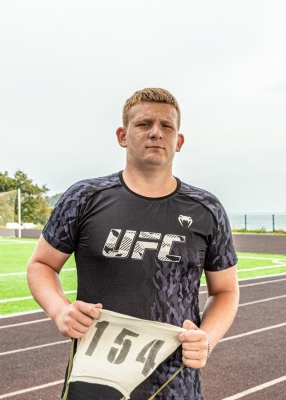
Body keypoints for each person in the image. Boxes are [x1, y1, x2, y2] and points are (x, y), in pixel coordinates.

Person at [27, 88, 239, 399]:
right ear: (122, 136)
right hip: (93, 385)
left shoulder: (207, 209)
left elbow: (226, 290)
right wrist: (60, 311)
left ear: (179, 141)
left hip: (175, 385)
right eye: (144, 124)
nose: (156, 132)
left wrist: (207, 338)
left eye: (166, 126)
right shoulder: (84, 198)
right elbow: (41, 264)